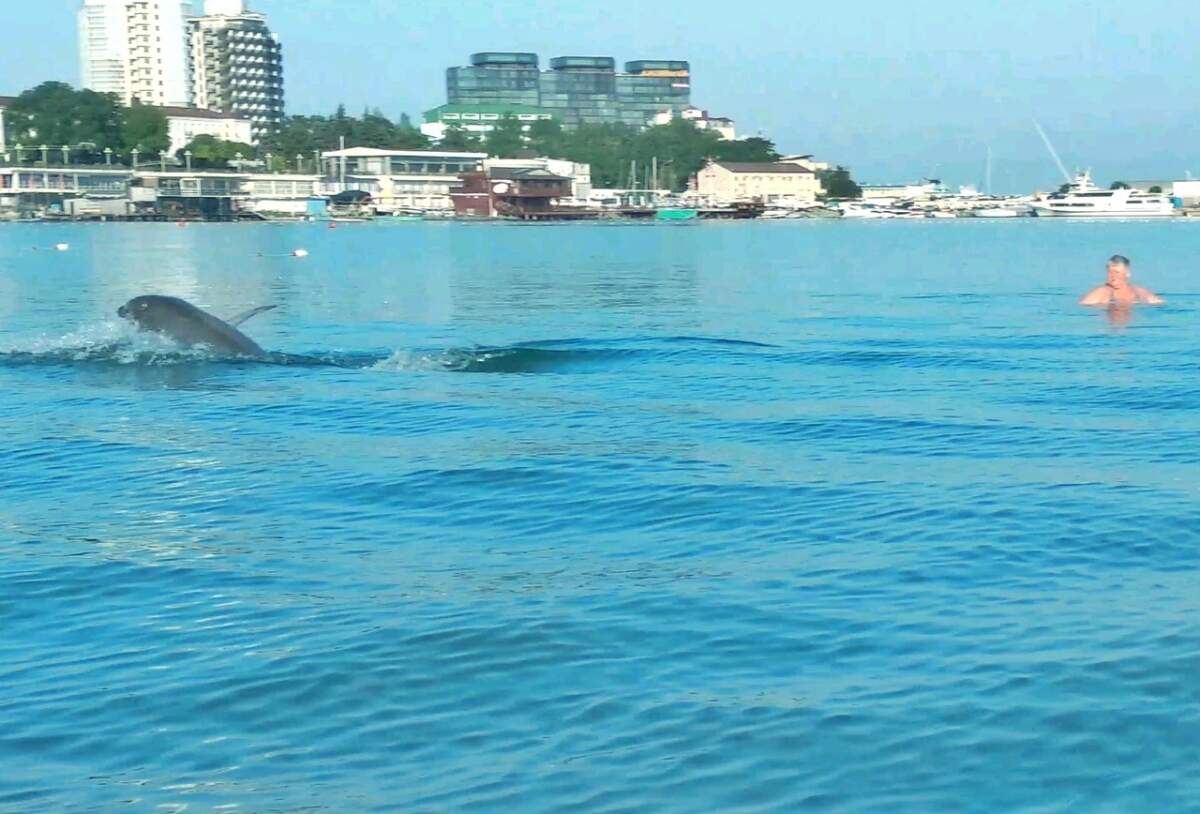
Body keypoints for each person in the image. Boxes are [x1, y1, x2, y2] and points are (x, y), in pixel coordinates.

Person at [1079, 255, 1164, 306]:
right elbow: (1083, 307)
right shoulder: (1102, 292)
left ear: (1127, 274)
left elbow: (1161, 305)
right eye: (1110, 272)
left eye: (1117, 272)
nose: (1113, 276)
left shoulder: (1139, 292)